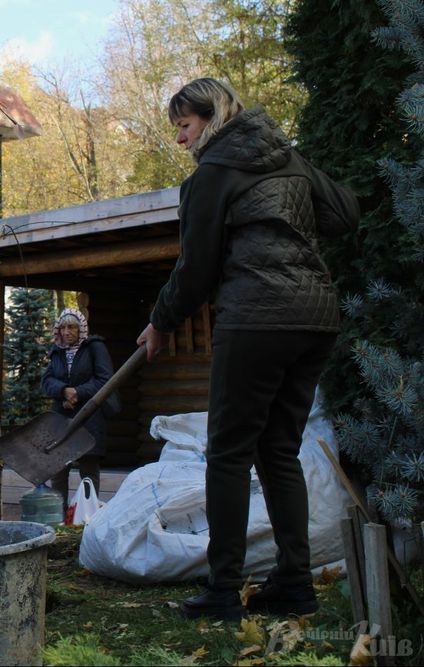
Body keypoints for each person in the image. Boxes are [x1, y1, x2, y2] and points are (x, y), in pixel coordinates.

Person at [136, 78, 359, 620]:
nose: (182, 141)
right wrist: (291, 185)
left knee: (229, 453)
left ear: (211, 117)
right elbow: (344, 215)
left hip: (257, 319)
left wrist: (160, 321)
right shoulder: (288, 161)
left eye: (185, 128)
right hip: (315, 319)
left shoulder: (212, 176)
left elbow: (196, 271)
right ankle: (294, 585)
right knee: (278, 450)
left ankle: (222, 590)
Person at [41, 308, 117, 510]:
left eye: (72, 327)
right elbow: (47, 381)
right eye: (63, 327)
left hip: (89, 417)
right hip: (62, 419)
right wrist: (64, 391)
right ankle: (58, 516)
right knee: (58, 468)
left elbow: (105, 379)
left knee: (88, 469)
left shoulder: (94, 347)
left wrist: (78, 392)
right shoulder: (57, 351)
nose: (67, 332)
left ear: (80, 328)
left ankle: (88, 516)